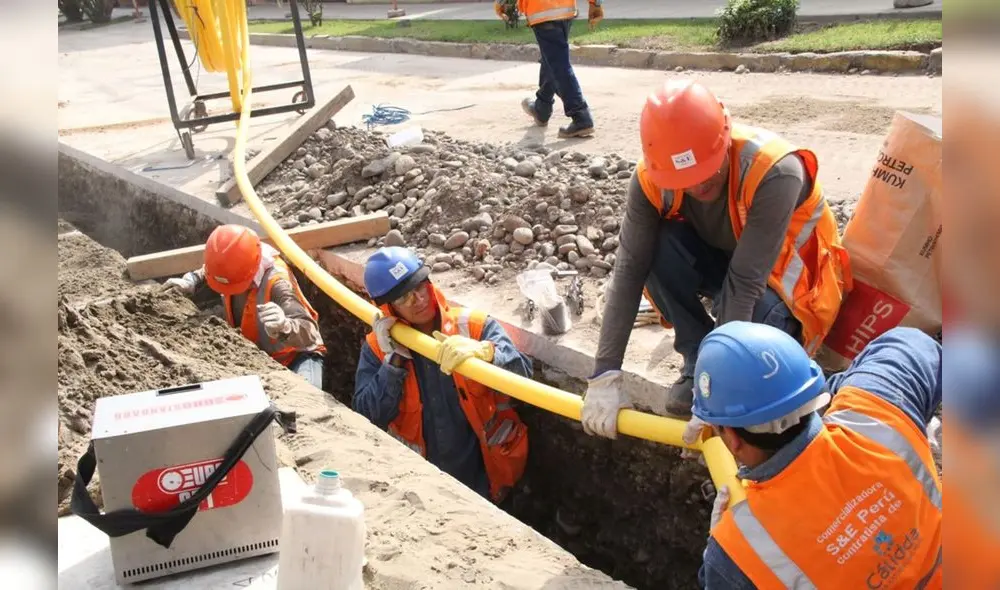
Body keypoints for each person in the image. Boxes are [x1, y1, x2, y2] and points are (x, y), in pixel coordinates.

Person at [581, 79, 852, 437]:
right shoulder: (652, 178)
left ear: (724, 139)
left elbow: (744, 286)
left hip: (791, 290)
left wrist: (720, 393)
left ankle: (725, 375)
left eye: (705, 173)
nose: (696, 187)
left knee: (754, 314)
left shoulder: (775, 171)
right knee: (652, 251)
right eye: (684, 179)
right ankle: (697, 359)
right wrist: (604, 374)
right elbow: (629, 269)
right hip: (730, 269)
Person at [679, 321, 941, 589]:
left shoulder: (740, 550)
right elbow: (912, 342)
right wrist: (838, 389)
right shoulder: (873, 416)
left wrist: (719, 548)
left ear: (733, 439)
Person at [354, 246, 533, 503]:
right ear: (389, 308)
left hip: (485, 484)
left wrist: (488, 353)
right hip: (417, 487)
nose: (419, 299)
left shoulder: (473, 328)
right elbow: (364, 416)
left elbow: (525, 379)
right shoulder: (378, 349)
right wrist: (392, 364)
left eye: (419, 286)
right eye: (404, 298)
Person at [161, 224, 327, 389]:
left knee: (307, 398)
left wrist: (285, 326)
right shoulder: (230, 263)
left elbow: (311, 334)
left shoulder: (278, 283)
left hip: (295, 358)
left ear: (251, 271)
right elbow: (210, 271)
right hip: (256, 359)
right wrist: (190, 281)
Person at [497, 0, 603, 138]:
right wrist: (595, 4)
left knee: (558, 63)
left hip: (542, 10)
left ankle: (580, 116)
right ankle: (542, 108)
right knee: (552, 58)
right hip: (565, 10)